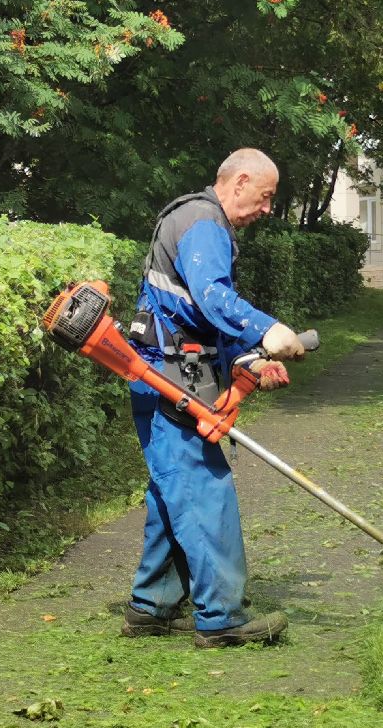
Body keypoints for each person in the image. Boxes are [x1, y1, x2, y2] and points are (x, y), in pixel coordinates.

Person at [120, 148, 306, 648]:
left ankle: (151, 606)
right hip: (169, 378)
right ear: (241, 181)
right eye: (265, 197)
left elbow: (195, 315)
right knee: (204, 489)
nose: (267, 209)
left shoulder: (193, 218)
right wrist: (267, 331)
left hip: (166, 372)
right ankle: (223, 619)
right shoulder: (204, 221)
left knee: (171, 489)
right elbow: (214, 298)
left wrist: (247, 359)